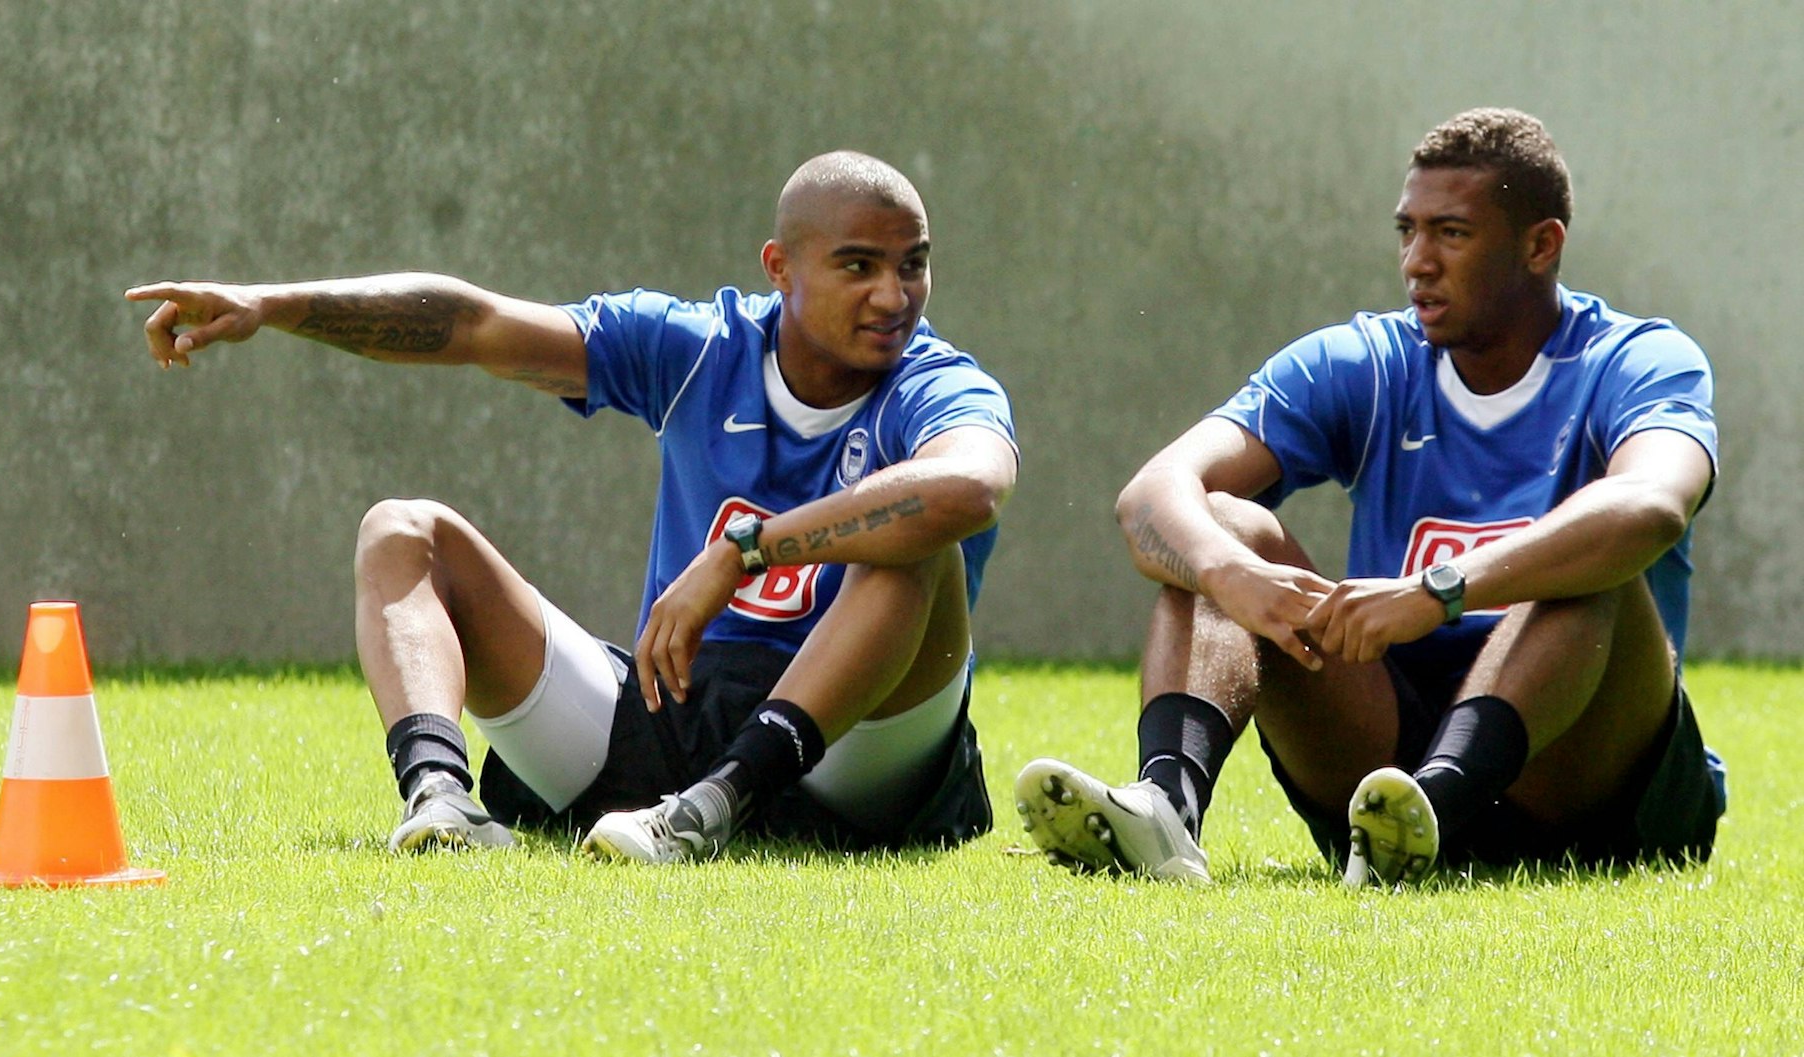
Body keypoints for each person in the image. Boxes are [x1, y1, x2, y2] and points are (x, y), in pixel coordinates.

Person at [127, 151, 1018, 864]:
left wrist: (747, 551)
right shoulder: (699, 349)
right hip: (671, 714)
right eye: (858, 266)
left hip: (859, 756)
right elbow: (472, 325)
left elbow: (969, 487)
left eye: (913, 266)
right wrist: (271, 305)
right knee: (403, 530)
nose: (894, 296)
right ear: (779, 268)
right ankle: (441, 803)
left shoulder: (935, 382)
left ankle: (718, 805)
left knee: (918, 538)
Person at [1015, 108, 1724, 886]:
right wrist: (1229, 572)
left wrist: (1438, 589)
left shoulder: (1638, 358)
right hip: (1385, 766)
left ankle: (1433, 812)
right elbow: (1151, 494)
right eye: (1406, 231)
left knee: (1590, 564)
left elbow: (1653, 505)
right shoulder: (1367, 361)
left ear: (1539, 245)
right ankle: (1165, 810)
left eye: (1451, 233)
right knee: (1218, 527)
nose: (1417, 261)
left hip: (1588, 778)